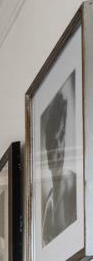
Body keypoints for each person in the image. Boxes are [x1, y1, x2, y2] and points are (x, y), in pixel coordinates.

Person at [41, 82, 79, 242]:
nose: (57, 149)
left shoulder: (76, 187)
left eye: (61, 135)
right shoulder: (48, 206)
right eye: (52, 140)